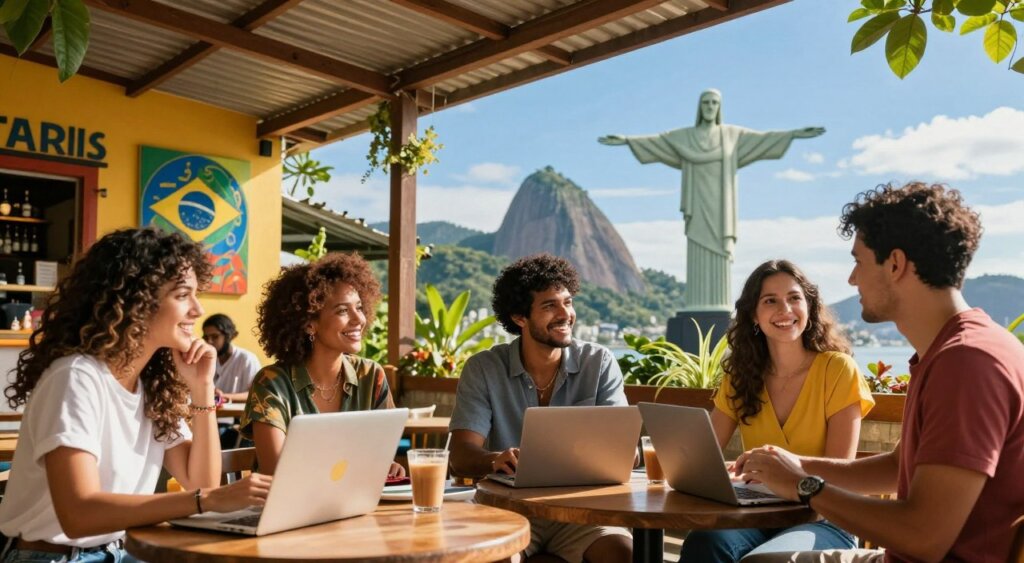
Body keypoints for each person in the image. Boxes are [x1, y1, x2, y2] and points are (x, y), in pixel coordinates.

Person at [736, 182, 1024, 563]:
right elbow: (894, 468)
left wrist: (803, 484)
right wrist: (793, 465)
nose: (852, 279)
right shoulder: (951, 351)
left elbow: (923, 537)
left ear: (895, 264)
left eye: (858, 261)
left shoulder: (968, 363)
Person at [0, 227, 270, 562]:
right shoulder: (76, 377)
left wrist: (201, 388)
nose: (198, 310)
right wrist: (206, 500)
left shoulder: (151, 385)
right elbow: (79, 514)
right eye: (183, 295)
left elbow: (200, 479)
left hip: (117, 551)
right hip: (54, 557)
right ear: (136, 300)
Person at [679, 260, 874, 562]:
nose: (785, 309)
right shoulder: (741, 376)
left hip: (825, 517)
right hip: (758, 515)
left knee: (765, 560)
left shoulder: (837, 369)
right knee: (703, 543)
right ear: (754, 315)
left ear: (808, 308)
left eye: (794, 298)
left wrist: (781, 476)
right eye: (770, 300)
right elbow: (702, 455)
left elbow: (839, 471)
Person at [449, 253, 632, 563]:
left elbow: (624, 451)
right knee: (499, 557)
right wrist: (495, 460)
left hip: (582, 512)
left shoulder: (599, 363)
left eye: (568, 302)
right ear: (520, 317)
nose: (565, 314)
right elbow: (461, 456)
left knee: (624, 554)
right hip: (507, 510)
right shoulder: (483, 368)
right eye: (550, 306)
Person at [599, 89, 825, 309]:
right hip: (697, 205)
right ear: (700, 107)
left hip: (721, 208)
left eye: (714, 103)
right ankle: (697, 303)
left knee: (719, 252)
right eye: (706, 103)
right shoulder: (686, 137)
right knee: (697, 248)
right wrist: (627, 140)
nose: (710, 107)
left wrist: (793, 134)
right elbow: (658, 142)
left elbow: (763, 139)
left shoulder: (731, 136)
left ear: (719, 108)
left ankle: (718, 302)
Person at [240, 252, 404, 478]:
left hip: (354, 507)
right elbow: (275, 473)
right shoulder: (272, 383)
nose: (359, 319)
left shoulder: (371, 376)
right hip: (287, 509)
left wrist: (389, 466)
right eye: (343, 311)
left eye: (359, 307)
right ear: (309, 324)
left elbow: (380, 458)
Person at [202, 313, 260, 449]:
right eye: (206, 337)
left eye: (215, 336)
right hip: (210, 421)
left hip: (235, 423)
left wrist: (226, 397)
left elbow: (256, 394)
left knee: (211, 442)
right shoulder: (207, 359)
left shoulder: (247, 359)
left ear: (229, 336)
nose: (209, 342)